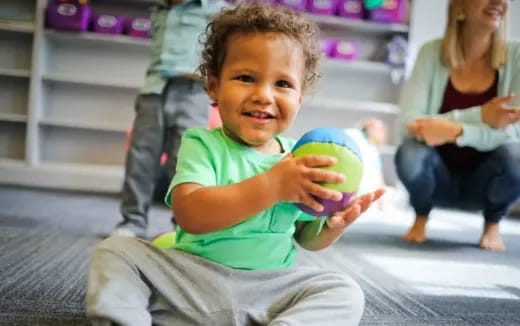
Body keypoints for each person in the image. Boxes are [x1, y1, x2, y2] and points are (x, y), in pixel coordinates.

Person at [86, 4, 384, 325]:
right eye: (245, 78)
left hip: (267, 290)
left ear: (300, 97)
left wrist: (330, 227)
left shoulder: (298, 158)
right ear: (213, 87)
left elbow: (305, 239)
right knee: (117, 251)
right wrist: (271, 186)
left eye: (282, 84)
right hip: (192, 283)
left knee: (344, 289)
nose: (263, 95)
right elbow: (191, 214)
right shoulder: (203, 143)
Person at [396, 0, 520, 251]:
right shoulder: (431, 53)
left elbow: (513, 129)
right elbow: (410, 122)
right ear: (460, 8)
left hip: (486, 182)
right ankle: (421, 216)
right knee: (410, 151)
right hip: (436, 178)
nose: (499, 2)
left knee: (516, 154)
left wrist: (455, 130)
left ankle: (493, 223)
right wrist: (482, 116)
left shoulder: (517, 57)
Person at [114, 0, 232, 238]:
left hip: (192, 90)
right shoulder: (159, 9)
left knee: (186, 160)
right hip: (155, 89)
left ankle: (183, 224)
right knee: (140, 158)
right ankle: (133, 221)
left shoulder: (217, 10)